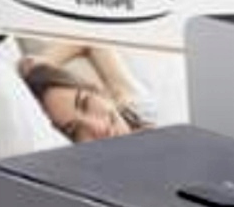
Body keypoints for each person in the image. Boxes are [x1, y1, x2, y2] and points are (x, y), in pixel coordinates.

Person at [20, 42, 157, 143]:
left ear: (100, 92)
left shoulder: (135, 107)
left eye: (85, 104)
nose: (99, 128)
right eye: (74, 132)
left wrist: (41, 64)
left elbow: (91, 40)